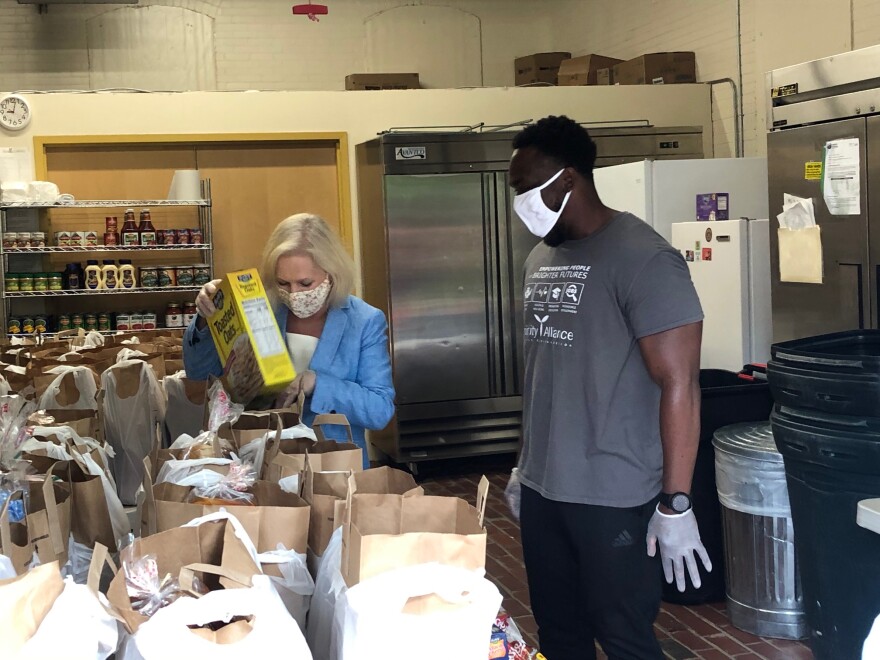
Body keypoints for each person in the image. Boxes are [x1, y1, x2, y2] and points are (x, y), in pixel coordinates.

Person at [504, 116, 711, 659]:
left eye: (527, 187)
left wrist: (677, 501)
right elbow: (545, 376)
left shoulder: (645, 258)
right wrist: (524, 468)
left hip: (614, 495)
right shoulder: (540, 258)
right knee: (559, 633)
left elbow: (680, 383)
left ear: (568, 180)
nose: (521, 200)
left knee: (624, 640)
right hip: (545, 490)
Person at [183, 213, 395, 467]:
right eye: (283, 283)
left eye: (306, 283)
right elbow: (200, 375)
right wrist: (207, 318)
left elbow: (379, 410)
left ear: (332, 273)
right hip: (259, 461)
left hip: (333, 468)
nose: (294, 295)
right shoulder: (261, 307)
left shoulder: (364, 321)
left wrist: (316, 383)